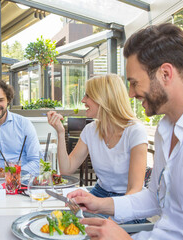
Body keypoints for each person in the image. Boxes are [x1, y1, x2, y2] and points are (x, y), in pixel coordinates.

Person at [67, 23, 183, 239]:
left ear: (165, 73)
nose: (131, 93)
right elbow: (154, 198)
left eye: (134, 83)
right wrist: (99, 203)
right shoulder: (166, 128)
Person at [47, 74, 147, 223]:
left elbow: (134, 190)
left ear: (104, 98)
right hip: (99, 193)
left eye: (88, 95)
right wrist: (60, 133)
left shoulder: (135, 131)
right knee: (64, 221)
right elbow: (67, 169)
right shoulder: (90, 130)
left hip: (127, 199)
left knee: (91, 229)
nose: (83, 100)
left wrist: (110, 220)